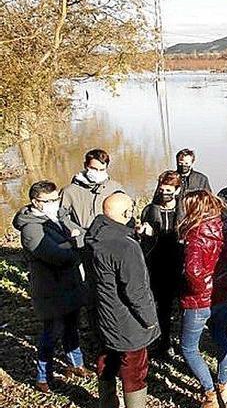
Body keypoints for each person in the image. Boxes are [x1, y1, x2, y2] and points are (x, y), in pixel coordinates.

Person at [13, 180, 90, 393]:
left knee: (71, 326)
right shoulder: (31, 229)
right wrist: (74, 244)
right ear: (35, 202)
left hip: (70, 284)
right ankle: (42, 377)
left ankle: (76, 364)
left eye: (56, 198)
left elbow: (82, 233)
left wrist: (71, 241)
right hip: (51, 291)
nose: (56, 203)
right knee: (51, 333)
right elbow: (57, 257)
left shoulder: (56, 217)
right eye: (50, 201)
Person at [84, 193, 159, 408]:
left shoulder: (94, 235)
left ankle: (107, 403)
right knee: (135, 369)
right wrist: (150, 320)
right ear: (127, 213)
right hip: (127, 322)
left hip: (101, 314)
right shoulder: (126, 247)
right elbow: (136, 291)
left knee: (106, 359)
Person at [178, 190, 227, 408]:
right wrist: (226, 270)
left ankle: (210, 392)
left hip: (199, 300)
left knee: (188, 347)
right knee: (221, 338)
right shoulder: (225, 226)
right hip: (221, 293)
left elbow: (193, 271)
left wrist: (197, 290)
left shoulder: (196, 233)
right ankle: (223, 385)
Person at [139, 170, 185, 359]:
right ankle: (164, 342)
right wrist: (144, 234)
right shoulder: (150, 210)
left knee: (183, 308)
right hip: (158, 266)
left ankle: (185, 343)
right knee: (163, 307)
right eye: (161, 189)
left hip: (180, 264)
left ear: (177, 189)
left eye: (169, 189)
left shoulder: (184, 210)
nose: (164, 193)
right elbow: (144, 243)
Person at [61, 148, 125, 228]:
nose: (98, 173)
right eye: (94, 169)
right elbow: (61, 217)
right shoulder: (69, 191)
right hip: (80, 236)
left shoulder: (115, 189)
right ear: (85, 165)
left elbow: (125, 215)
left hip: (108, 235)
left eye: (102, 170)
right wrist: (72, 230)